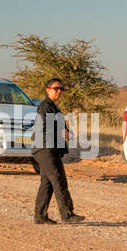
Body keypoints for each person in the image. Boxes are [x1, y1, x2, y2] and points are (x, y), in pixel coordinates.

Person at [32, 79, 84, 224]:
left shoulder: (53, 107)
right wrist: (63, 133)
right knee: (58, 179)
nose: (59, 91)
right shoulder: (45, 106)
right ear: (47, 90)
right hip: (45, 148)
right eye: (56, 88)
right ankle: (67, 214)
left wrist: (66, 132)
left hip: (46, 148)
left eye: (61, 89)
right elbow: (45, 127)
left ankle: (40, 216)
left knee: (47, 182)